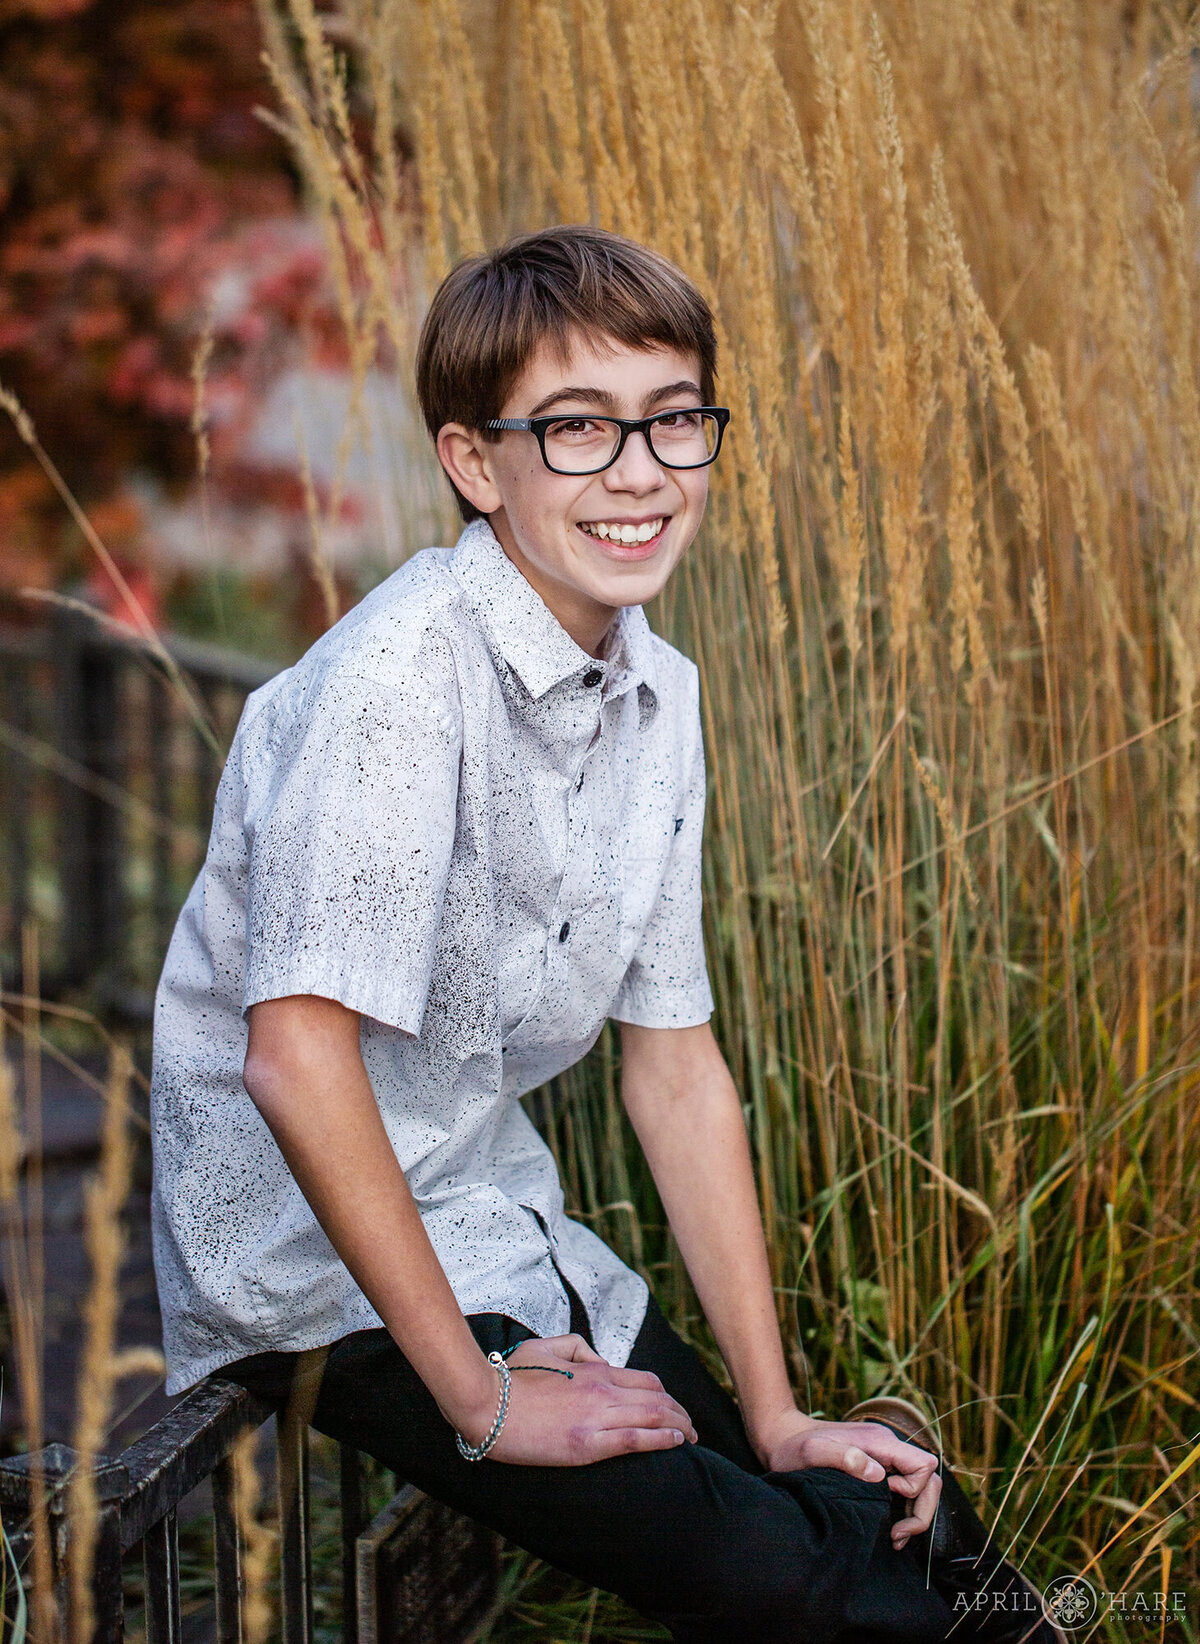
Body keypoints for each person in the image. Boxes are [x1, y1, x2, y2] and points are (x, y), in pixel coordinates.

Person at [150, 225, 1059, 1642]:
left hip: (487, 1214)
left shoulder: (658, 692)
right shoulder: (401, 684)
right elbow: (295, 1062)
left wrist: (776, 1414)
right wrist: (485, 1398)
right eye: (576, 430)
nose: (640, 472)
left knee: (896, 1510)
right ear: (474, 461)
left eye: (675, 420)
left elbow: (676, 1069)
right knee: (775, 1577)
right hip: (317, 1262)